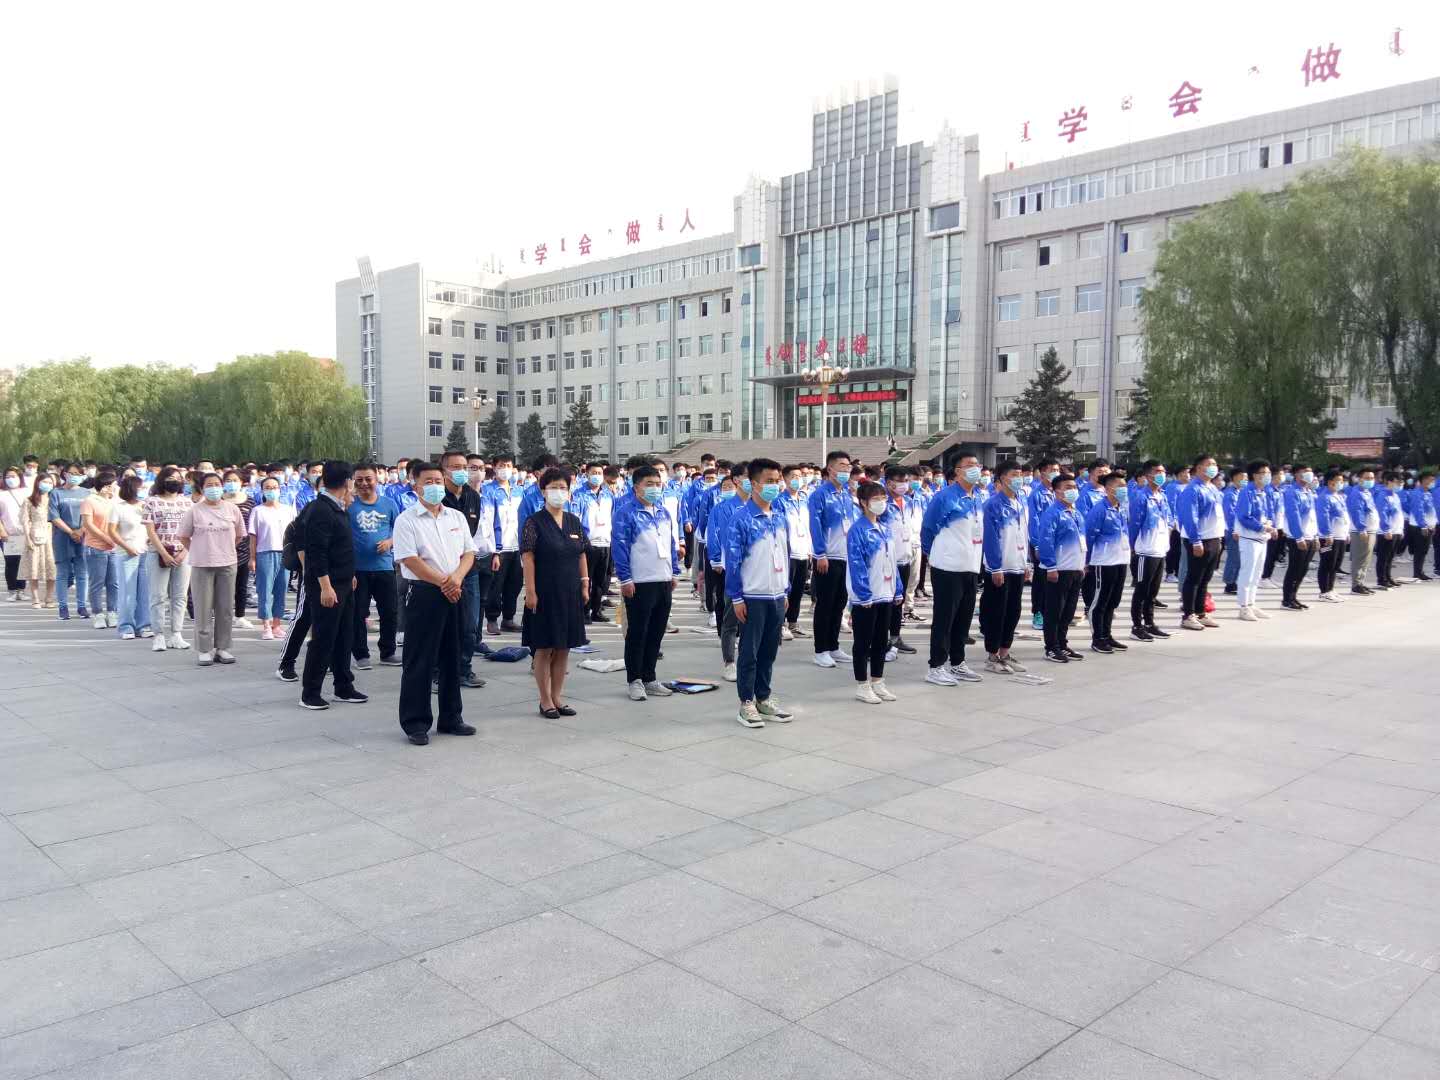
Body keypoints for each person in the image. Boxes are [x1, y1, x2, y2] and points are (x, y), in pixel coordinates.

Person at [392, 462, 476, 744]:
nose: (435, 486)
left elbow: (469, 553)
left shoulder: (456, 516)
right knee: (420, 659)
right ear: (415, 486)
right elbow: (409, 559)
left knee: (452, 656)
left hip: (455, 590)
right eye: (428, 481)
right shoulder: (406, 520)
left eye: (438, 480)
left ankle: (451, 717)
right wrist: (444, 582)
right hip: (425, 593)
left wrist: (456, 579)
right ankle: (415, 722)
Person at [725, 459, 793, 728]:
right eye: (769, 481)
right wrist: (736, 597)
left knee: (769, 651)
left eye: (777, 481)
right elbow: (732, 561)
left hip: (776, 595)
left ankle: (763, 697)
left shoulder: (779, 517)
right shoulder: (741, 519)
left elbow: (784, 556)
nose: (775, 485)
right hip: (752, 596)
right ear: (754, 484)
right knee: (749, 652)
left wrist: (785, 590)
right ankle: (746, 703)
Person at [522, 467, 589, 718]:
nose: (559, 492)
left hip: (570, 590)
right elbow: (528, 558)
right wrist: (530, 591)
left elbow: (581, 553)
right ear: (543, 491)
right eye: (553, 488)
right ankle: (545, 699)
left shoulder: (573, 521)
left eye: (563, 488)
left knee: (564, 647)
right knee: (544, 646)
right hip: (545, 591)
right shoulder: (534, 522)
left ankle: (558, 697)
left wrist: (585, 582)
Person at [299, 460, 365, 709]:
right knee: (324, 638)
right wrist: (326, 587)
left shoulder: (337, 507)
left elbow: (340, 548)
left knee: (344, 636)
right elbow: (317, 553)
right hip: (327, 585)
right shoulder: (321, 510)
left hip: (344, 582)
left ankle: (343, 686)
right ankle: (310, 692)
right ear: (347, 481)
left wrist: (350, 575)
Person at [612, 464, 679, 701]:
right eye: (649, 484)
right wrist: (625, 578)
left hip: (663, 578)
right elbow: (620, 546)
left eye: (658, 484)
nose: (654, 488)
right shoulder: (626, 513)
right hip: (639, 581)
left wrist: (674, 572)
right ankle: (635, 680)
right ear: (636, 487)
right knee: (637, 633)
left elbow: (670, 543)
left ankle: (650, 677)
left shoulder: (663, 512)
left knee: (656, 632)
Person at [919, 454, 985, 686]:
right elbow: (928, 529)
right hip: (948, 567)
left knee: (963, 618)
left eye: (977, 465)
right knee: (944, 619)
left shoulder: (977, 497)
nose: (975, 469)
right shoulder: (945, 497)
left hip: (970, 565)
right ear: (957, 471)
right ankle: (936, 666)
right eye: (970, 465)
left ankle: (957, 662)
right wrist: (936, 555)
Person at [177, 472, 245, 665]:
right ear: (202, 488)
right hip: (202, 564)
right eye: (209, 485)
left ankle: (223, 647)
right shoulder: (194, 511)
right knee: (203, 608)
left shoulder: (232, 509)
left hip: (227, 563)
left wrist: (224, 548)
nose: (214, 488)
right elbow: (183, 536)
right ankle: (204, 649)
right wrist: (199, 550)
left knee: (225, 608)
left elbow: (239, 535)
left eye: (217, 484)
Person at [847, 480, 903, 704]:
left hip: (886, 592)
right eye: (876, 499)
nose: (881, 503)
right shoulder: (857, 530)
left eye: (883, 499)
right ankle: (862, 685)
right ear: (863, 502)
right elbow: (857, 564)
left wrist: (898, 589)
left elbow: (892, 561)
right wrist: (863, 594)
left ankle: (878, 681)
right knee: (863, 642)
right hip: (867, 596)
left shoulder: (884, 528)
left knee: (881, 640)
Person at [438, 451, 487, 687]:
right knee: (442, 623)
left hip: (468, 568)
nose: (461, 471)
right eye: (455, 467)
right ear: (444, 470)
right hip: (442, 569)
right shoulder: (437, 496)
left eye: (464, 466)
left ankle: (464, 669)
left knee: (470, 623)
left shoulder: (472, 496)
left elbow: (471, 533)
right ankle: (438, 672)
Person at [349, 463, 402, 670]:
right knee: (358, 613)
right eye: (359, 479)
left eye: (368, 479)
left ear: (377, 479)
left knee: (389, 611)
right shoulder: (349, 504)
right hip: (357, 570)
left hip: (384, 567)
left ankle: (388, 652)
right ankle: (361, 654)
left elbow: (400, 530)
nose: (364, 483)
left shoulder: (389, 504)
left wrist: (390, 542)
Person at [808, 450, 859, 668]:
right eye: (842, 466)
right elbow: (815, 525)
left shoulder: (846, 494)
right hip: (827, 557)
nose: (846, 469)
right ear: (830, 469)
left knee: (839, 604)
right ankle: (820, 650)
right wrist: (820, 553)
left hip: (845, 556)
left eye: (848, 466)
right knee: (825, 605)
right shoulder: (820, 495)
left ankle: (833, 645)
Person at [979, 462, 1031, 674]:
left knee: (1013, 611)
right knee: (997, 612)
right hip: (1000, 567)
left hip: (1017, 565)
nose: (1018, 478)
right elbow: (990, 538)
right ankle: (992, 656)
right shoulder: (992, 505)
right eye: (1013, 475)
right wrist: (995, 567)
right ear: (1001, 479)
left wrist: (1026, 562)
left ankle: (1004, 652)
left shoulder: (1021, 502)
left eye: (1020, 474)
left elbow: (1024, 535)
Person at [1036, 474, 1086, 663]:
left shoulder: (1076, 513)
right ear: (1057, 491)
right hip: (1059, 569)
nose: (1073, 490)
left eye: (1074, 487)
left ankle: (1062, 644)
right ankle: (1052, 647)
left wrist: (1082, 564)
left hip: (1075, 568)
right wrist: (1050, 566)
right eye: (1068, 487)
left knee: (1068, 611)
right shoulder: (1052, 513)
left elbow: (1082, 541)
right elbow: (1046, 541)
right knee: (1054, 611)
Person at [142, 467, 193, 650]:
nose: (175, 481)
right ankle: (158, 634)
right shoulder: (151, 502)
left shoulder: (187, 502)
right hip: (158, 552)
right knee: (158, 596)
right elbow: (150, 531)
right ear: (162, 480)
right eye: (171, 478)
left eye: (178, 478)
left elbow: (192, 530)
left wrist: (184, 552)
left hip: (182, 553)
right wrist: (163, 553)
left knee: (180, 596)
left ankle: (176, 633)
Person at [1177, 455, 1225, 631]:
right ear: (1198, 468)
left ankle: (1200, 612)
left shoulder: (1212, 487)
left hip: (1213, 537)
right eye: (1208, 464)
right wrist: (1196, 541)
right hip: (1199, 539)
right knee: (1194, 578)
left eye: (1214, 464)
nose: (1213, 467)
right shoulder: (1192, 489)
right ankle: (1188, 615)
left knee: (1205, 578)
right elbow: (1190, 517)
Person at [1085, 472, 1131, 653]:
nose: (1124, 490)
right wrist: (1086, 561)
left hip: (1121, 559)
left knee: (1113, 600)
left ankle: (1107, 635)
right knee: (1101, 601)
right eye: (1120, 486)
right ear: (1109, 488)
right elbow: (1089, 537)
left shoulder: (1121, 508)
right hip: (1103, 561)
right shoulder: (1099, 510)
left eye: (1125, 486)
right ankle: (1097, 638)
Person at [1127, 462, 1172, 641]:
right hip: (1145, 551)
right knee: (1142, 590)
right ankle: (1137, 627)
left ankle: (1149, 623)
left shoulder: (1162, 495)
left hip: (1160, 549)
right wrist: (1133, 547)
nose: (1161, 475)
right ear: (1148, 475)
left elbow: (1168, 519)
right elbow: (1134, 525)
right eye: (1157, 472)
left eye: (1163, 471)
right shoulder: (1141, 497)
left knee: (1153, 591)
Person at [482, 455, 524, 635]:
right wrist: (495, 551)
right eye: (501, 465)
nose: (505, 469)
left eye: (508, 465)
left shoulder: (519, 491)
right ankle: (492, 619)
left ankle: (508, 618)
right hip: (499, 547)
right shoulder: (488, 491)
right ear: (494, 467)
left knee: (514, 585)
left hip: (517, 546)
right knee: (495, 586)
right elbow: (488, 521)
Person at [249, 475, 295, 639]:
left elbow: (294, 533)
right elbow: (253, 536)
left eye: (274, 487)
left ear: (280, 489)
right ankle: (266, 625)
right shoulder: (258, 511)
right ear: (262, 491)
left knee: (281, 590)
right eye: (267, 488)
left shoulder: (288, 509)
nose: (271, 490)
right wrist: (252, 558)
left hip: (285, 554)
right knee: (265, 590)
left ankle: (277, 624)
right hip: (265, 553)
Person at [881, 466, 920, 657]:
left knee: (899, 600)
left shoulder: (909, 502)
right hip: (887, 560)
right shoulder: (881, 503)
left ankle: (895, 637)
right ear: (889, 482)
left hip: (905, 557)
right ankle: (882, 640)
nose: (904, 485)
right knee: (886, 602)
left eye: (906, 481)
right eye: (900, 481)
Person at [1233, 460, 1276, 623]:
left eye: (1268, 473)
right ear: (1254, 475)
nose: (1267, 476)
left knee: (1257, 573)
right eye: (1264, 473)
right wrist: (1262, 527)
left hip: (1262, 538)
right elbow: (1244, 516)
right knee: (1247, 573)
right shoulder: (1247, 492)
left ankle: (1251, 603)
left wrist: (1271, 525)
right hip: (1250, 538)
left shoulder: (1264, 492)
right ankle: (1244, 607)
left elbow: (1268, 513)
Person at [108, 475, 151, 640]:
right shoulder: (118, 508)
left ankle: (144, 625)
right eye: (140, 487)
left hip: (146, 552)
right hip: (126, 553)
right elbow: (112, 531)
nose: (143, 491)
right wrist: (127, 547)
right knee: (127, 593)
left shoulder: (146, 506)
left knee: (144, 592)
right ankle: (126, 626)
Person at [48, 463, 91, 620]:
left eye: (78, 474)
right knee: (63, 573)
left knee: (82, 573)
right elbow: (54, 517)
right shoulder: (56, 493)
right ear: (64, 474)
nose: (74, 476)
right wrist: (71, 532)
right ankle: (63, 607)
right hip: (62, 536)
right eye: (71, 473)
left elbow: (91, 516)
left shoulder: (87, 493)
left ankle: (82, 606)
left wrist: (81, 530)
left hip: (83, 536)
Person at [574, 462, 614, 623]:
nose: (597, 476)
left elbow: (612, 516)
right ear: (587, 475)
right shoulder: (579, 495)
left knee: (601, 580)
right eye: (593, 473)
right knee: (586, 579)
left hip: (605, 542)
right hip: (588, 543)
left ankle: (596, 610)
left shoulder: (608, 495)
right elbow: (575, 520)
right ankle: (583, 611)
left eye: (599, 473)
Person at [80, 469, 119, 629]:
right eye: (113, 485)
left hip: (114, 548)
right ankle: (98, 614)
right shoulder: (89, 501)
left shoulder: (115, 501)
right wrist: (106, 538)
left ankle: (112, 612)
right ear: (105, 486)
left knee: (114, 583)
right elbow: (88, 524)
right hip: (96, 547)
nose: (115, 488)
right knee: (97, 582)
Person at [1026, 459, 1059, 630]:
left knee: (1054, 579)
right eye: (1052, 469)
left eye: (1057, 469)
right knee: (1040, 579)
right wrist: (1037, 544)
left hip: (1057, 542)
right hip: (1041, 542)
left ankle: (1051, 611)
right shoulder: (1036, 495)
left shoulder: (1058, 492)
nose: (1055, 472)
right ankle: (1038, 612)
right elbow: (1034, 521)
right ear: (1043, 473)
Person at [1281, 465, 1320, 611]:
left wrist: (1315, 536)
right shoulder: (1292, 492)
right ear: (1297, 475)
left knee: (1303, 569)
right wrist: (1299, 537)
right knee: (1295, 568)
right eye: (1305, 472)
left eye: (1310, 471)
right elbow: (1293, 515)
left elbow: (1313, 517)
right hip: (1298, 537)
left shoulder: (1308, 491)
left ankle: (1294, 597)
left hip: (1310, 535)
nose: (1310, 474)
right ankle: (1287, 600)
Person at [221, 470, 255, 629]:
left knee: (241, 585)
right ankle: (223, 615)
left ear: (242, 482)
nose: (232, 483)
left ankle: (240, 616)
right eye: (228, 480)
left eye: (235, 480)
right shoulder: (219, 500)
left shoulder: (250, 501)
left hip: (243, 549)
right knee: (223, 586)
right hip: (221, 549)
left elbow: (253, 526)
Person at [1314, 468, 1351, 603]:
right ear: (1330, 482)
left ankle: (1331, 589)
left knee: (1335, 564)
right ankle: (1324, 592)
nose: (1341, 483)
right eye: (1339, 481)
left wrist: (1347, 533)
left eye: (1342, 481)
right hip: (1329, 536)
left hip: (1340, 535)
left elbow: (1344, 515)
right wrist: (1326, 534)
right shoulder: (1324, 497)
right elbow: (1323, 517)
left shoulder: (1339, 496)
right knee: (1327, 563)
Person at [20, 473, 56, 608]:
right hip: (35, 536)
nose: (47, 485)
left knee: (51, 568)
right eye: (45, 482)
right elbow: (25, 521)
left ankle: (49, 598)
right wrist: (28, 538)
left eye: (50, 482)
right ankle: (35, 598)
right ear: (37, 483)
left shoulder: (54, 499)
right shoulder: (29, 501)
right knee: (34, 568)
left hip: (52, 537)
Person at [1345, 467, 1379, 595]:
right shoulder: (1357, 493)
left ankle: (1361, 582)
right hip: (1362, 531)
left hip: (1370, 530)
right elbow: (1357, 512)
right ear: (1359, 479)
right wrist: (1361, 529)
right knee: (1359, 558)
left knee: (1366, 558)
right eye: (1367, 478)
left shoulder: (1367, 492)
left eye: (1372, 478)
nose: (1370, 480)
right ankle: (1356, 585)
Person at [1373, 470, 1405, 589]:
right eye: (1397, 482)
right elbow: (1382, 514)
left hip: (1396, 530)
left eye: (1401, 482)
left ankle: (1388, 576)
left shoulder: (1395, 495)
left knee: (1391, 556)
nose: (1400, 485)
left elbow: (1399, 513)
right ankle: (1381, 579)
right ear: (1389, 482)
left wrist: (1400, 530)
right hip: (1386, 532)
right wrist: (1386, 529)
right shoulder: (1383, 495)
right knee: (1384, 556)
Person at [0, 466, 27, 602]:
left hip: (24, 533)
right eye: (8, 477)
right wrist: (2, 530)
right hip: (8, 534)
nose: (11, 479)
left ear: (20, 477)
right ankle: (12, 590)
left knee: (23, 562)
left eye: (13, 476)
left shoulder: (27, 492)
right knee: (10, 562)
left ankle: (21, 590)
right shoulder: (1, 494)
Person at [1220, 466, 1247, 594]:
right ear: (1235, 478)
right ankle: (1229, 583)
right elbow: (1229, 515)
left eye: (1246, 477)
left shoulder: (1240, 492)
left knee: (1240, 557)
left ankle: (1235, 581)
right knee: (1234, 557)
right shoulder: (1230, 494)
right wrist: (1234, 530)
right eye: (1243, 477)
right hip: (1233, 531)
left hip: (1241, 530)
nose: (1245, 480)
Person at [1405, 472, 1436, 581]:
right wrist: (1423, 525)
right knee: (1420, 550)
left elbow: (1432, 511)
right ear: (1424, 480)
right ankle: (1417, 573)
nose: (1433, 482)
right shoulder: (1417, 493)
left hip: (1429, 526)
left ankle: (1420, 572)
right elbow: (1418, 510)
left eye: (1433, 480)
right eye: (1431, 480)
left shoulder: (1428, 493)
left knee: (1424, 550)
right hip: (1419, 527)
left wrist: (1433, 524)